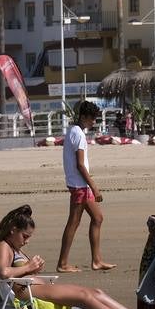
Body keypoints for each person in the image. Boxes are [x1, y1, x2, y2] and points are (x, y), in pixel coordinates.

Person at [0, 205, 136, 309]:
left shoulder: (14, 247)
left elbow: (15, 271)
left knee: (95, 292)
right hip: (26, 292)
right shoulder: (3, 246)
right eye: (25, 236)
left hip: (34, 288)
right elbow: (4, 272)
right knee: (84, 297)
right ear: (13, 230)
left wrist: (31, 269)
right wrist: (28, 266)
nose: (27, 241)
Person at [57, 100, 115, 273]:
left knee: (97, 218)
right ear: (83, 117)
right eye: (92, 118)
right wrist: (94, 188)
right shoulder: (79, 135)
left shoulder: (74, 131)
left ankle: (96, 260)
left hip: (79, 184)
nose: (94, 122)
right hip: (79, 185)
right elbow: (80, 165)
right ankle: (62, 263)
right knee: (73, 223)